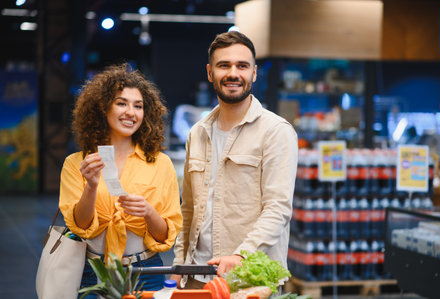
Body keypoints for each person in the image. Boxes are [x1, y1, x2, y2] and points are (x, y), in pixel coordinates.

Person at [171, 31, 298, 289]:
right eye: (223, 65)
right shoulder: (197, 133)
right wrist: (178, 264)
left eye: (242, 66)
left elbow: (278, 208)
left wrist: (242, 254)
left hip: (250, 278)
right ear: (210, 73)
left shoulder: (276, 132)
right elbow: (188, 209)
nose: (233, 73)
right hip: (195, 276)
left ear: (253, 73)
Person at [58, 63, 182, 296]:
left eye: (138, 106)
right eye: (121, 103)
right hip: (92, 272)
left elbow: (166, 235)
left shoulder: (160, 163)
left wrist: (148, 212)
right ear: (103, 108)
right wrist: (91, 186)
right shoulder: (77, 163)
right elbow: (81, 227)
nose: (131, 112)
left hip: (147, 272)